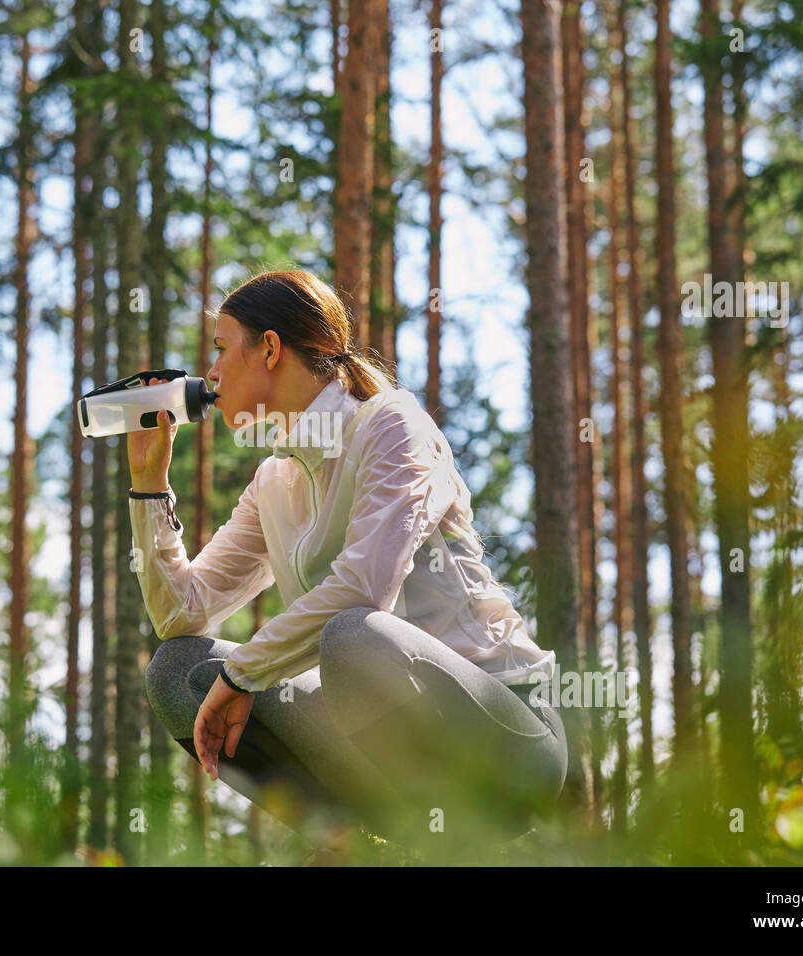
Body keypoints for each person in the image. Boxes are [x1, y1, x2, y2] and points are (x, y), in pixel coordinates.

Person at [127, 269, 566, 863]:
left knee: (351, 633)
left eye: (222, 349)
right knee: (178, 671)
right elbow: (183, 615)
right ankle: (351, 847)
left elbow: (365, 587)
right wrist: (149, 487)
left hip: (508, 741)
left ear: (271, 349)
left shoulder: (391, 425)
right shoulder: (275, 481)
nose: (210, 373)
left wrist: (243, 676)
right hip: (384, 754)